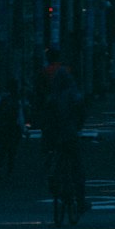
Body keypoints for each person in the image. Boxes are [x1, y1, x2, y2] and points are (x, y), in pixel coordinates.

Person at [44, 64, 88, 213]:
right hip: (70, 135)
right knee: (77, 167)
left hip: (54, 136)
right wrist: (77, 127)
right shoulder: (74, 95)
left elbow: (47, 119)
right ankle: (80, 200)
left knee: (54, 162)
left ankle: (56, 188)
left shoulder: (52, 97)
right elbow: (81, 114)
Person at [0, 77, 27, 178]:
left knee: (2, 148)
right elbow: (20, 116)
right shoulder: (17, 99)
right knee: (12, 150)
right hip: (14, 127)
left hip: (3, 126)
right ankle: (9, 170)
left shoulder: (1, 97)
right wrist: (23, 128)